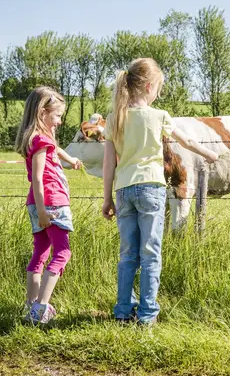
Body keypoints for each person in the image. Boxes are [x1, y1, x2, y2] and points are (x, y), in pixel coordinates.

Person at [102, 58, 218, 325]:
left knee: (128, 253)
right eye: (158, 89)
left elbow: (109, 163)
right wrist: (209, 153)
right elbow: (186, 140)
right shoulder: (159, 116)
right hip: (151, 188)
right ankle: (146, 314)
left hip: (123, 190)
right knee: (151, 252)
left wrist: (107, 197)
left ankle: (122, 311)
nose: (158, 94)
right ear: (149, 86)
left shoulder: (114, 118)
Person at [15, 86, 83, 324]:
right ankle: (41, 309)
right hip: (51, 202)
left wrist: (70, 159)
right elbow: (37, 177)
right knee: (63, 252)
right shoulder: (42, 141)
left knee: (41, 253)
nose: (60, 121)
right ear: (43, 113)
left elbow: (55, 149)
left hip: (37, 203)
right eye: (57, 116)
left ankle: (30, 307)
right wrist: (44, 211)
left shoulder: (37, 138)